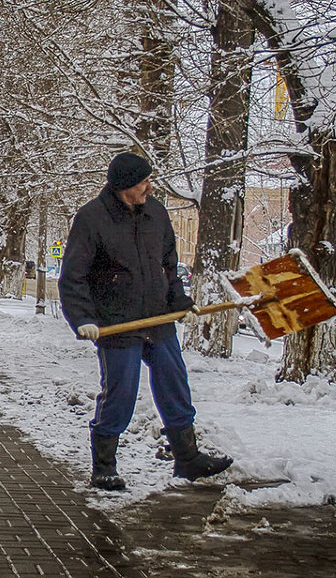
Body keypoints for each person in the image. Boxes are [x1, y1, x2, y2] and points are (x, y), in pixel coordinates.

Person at [59, 152, 232, 491]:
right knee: (121, 392)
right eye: (143, 182)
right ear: (125, 186)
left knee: (174, 383)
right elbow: (73, 276)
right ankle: (105, 467)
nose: (149, 187)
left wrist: (178, 298)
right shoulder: (93, 218)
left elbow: (169, 263)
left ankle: (187, 458)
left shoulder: (156, 213)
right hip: (116, 321)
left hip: (157, 317)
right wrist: (82, 318)